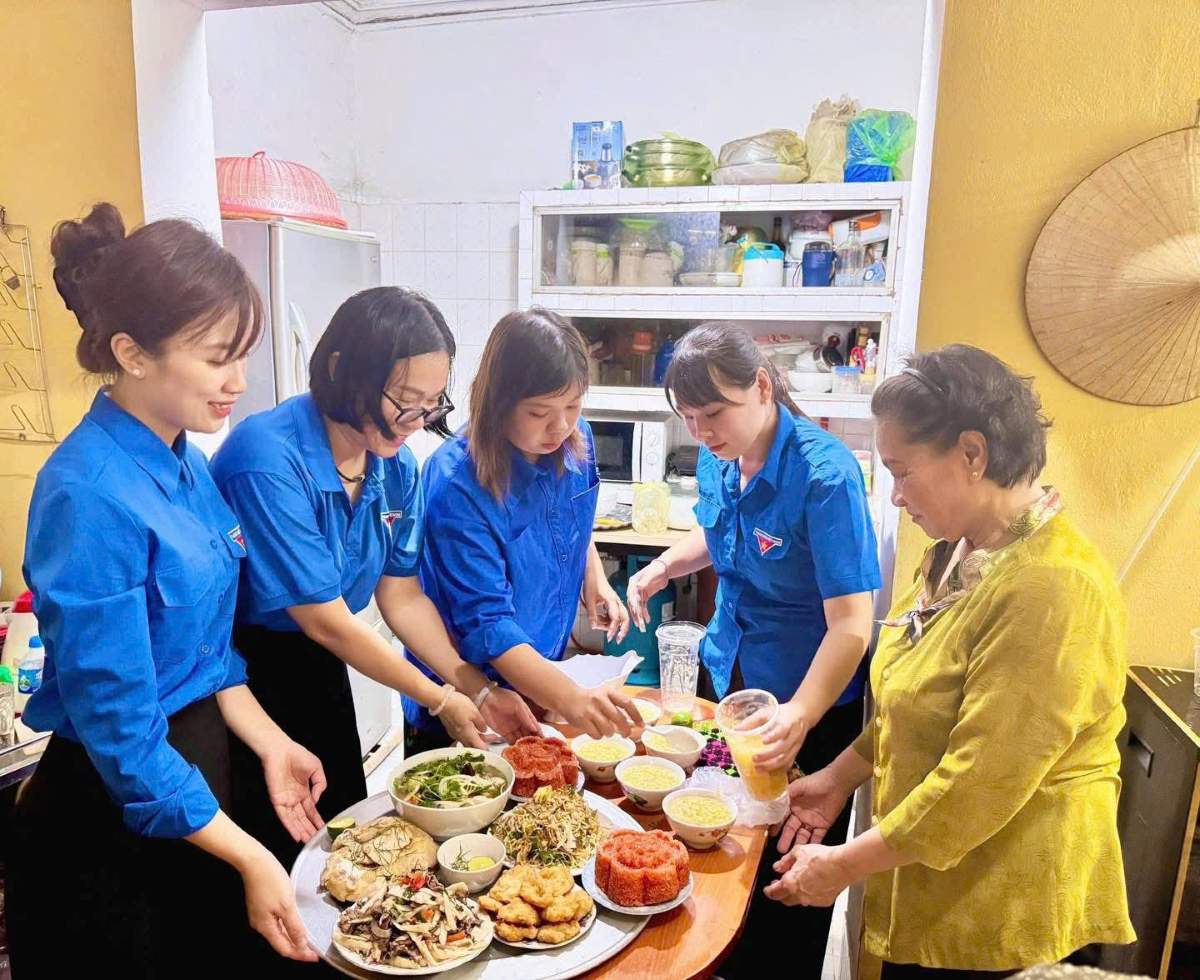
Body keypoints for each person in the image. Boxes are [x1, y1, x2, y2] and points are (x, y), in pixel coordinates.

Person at [7, 203, 324, 978]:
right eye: (218, 358)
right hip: (108, 829)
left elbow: (207, 658)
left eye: (241, 355)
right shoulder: (88, 493)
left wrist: (273, 744)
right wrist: (251, 856)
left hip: (198, 796)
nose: (238, 383)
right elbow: (124, 731)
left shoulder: (185, 462)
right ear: (132, 353)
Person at [770, 345, 1136, 978]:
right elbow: (915, 702)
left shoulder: (1052, 586)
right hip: (940, 878)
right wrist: (835, 778)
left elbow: (977, 783)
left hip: (1006, 910)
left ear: (973, 453)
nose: (895, 496)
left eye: (903, 472)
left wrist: (843, 863)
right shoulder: (956, 554)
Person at [210, 288, 540, 893]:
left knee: (343, 858)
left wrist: (477, 687)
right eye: (403, 401)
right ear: (341, 370)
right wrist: (438, 700)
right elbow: (325, 619)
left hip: (322, 671)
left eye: (429, 403)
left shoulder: (395, 466)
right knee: (273, 870)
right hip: (241, 678)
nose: (416, 420)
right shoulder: (268, 458)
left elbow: (403, 597)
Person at [625, 321, 880, 978]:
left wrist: (800, 713)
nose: (704, 431)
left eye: (714, 412)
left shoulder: (826, 476)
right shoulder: (719, 460)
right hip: (730, 683)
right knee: (721, 839)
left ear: (761, 387)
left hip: (808, 705)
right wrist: (660, 570)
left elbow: (853, 623)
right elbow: (721, 536)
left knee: (787, 877)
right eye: (689, 418)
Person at [410, 308, 639, 751]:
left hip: (544, 678)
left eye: (573, 405)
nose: (561, 426)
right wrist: (573, 700)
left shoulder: (577, 438)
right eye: (539, 412)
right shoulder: (457, 485)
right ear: (498, 402)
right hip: (470, 699)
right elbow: (489, 625)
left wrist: (595, 581)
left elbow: (574, 521)